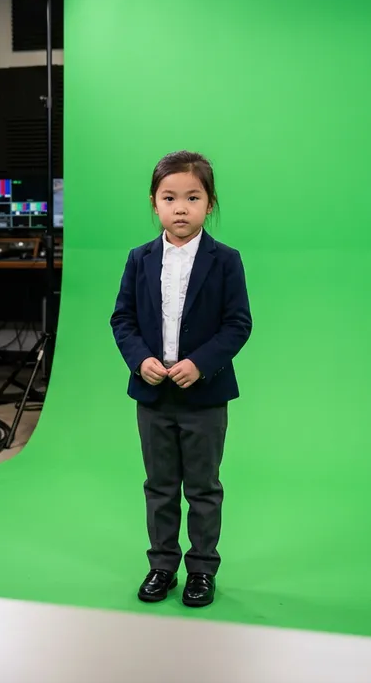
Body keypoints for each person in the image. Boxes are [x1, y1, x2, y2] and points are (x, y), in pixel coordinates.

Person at [110, 151, 252, 608]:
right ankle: (162, 565)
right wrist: (139, 360)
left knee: (204, 487)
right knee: (160, 485)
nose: (181, 207)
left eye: (193, 197)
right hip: (153, 396)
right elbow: (123, 319)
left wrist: (201, 363)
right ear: (155, 203)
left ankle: (202, 571)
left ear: (209, 204)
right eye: (170, 197)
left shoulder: (226, 260)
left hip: (205, 397)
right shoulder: (140, 258)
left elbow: (237, 323)